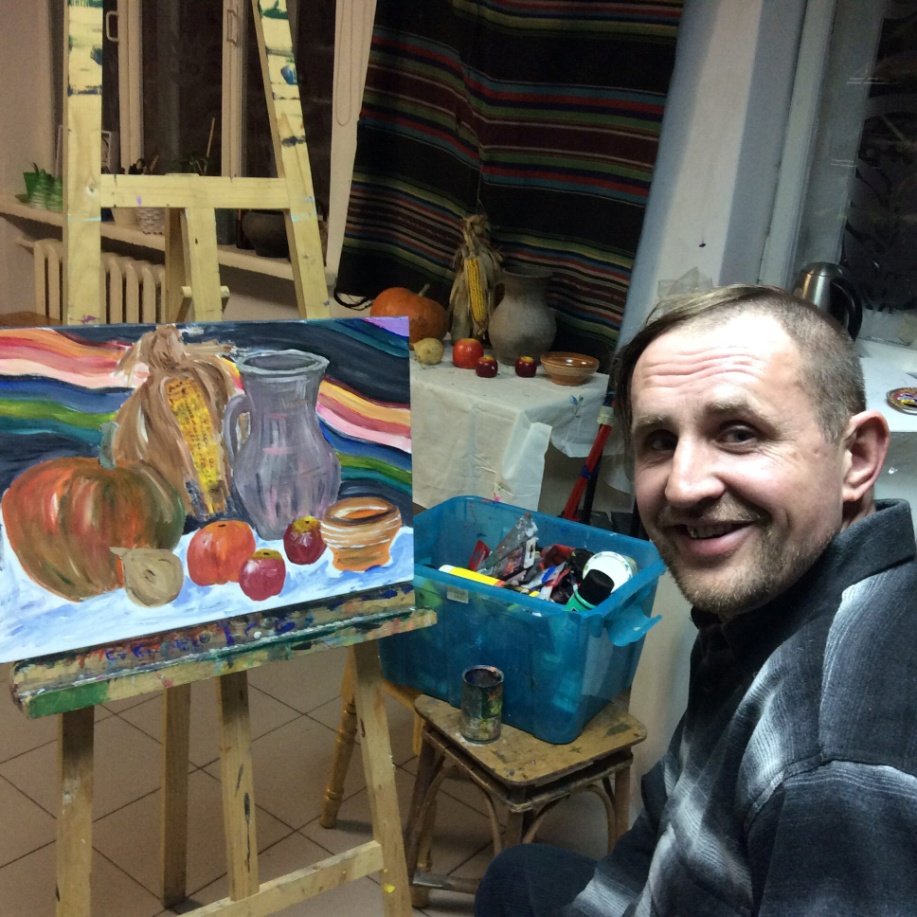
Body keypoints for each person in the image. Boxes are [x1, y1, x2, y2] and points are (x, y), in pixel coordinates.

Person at [475, 284, 917, 916]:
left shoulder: (830, 763)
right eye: (659, 440)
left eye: (738, 433)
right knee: (517, 874)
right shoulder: (770, 608)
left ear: (858, 458)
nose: (682, 487)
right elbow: (669, 818)